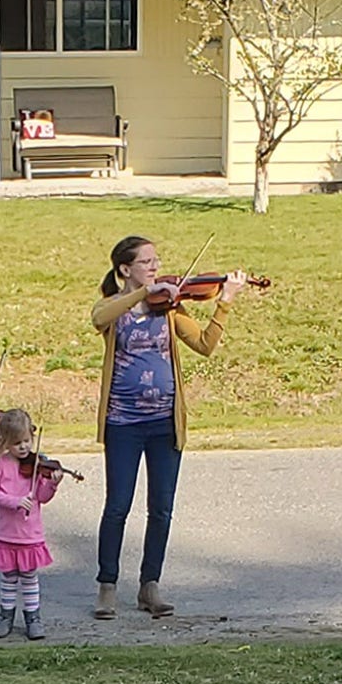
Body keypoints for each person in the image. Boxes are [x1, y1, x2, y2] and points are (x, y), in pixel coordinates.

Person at [90, 236, 245, 619]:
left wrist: (225, 301)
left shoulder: (170, 308)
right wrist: (142, 293)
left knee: (161, 508)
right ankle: (107, 586)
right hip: (123, 423)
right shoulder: (115, 308)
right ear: (125, 269)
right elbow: (99, 318)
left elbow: (205, 345)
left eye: (156, 260)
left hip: (164, 423)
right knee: (117, 506)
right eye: (146, 262)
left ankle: (150, 586)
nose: (156, 267)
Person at [0, 409, 63, 640]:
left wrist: (52, 484)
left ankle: (33, 619)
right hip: (7, 534)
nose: (24, 447)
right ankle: (5, 617)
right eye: (17, 443)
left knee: (29, 578)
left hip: (30, 534)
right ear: (5, 442)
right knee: (8, 579)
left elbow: (42, 497)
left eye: (27, 441)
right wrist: (15, 501)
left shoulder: (37, 465)